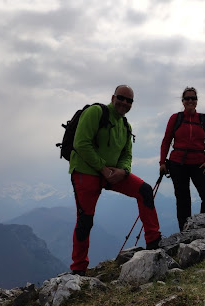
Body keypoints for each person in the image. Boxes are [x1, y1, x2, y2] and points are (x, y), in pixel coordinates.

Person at [69, 85, 161, 276]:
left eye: (129, 101)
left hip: (111, 174)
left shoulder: (125, 125)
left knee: (144, 190)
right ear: (113, 97)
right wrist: (102, 168)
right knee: (85, 219)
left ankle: (154, 243)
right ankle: (78, 269)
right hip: (86, 170)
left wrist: (124, 171)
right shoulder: (95, 112)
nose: (124, 103)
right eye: (121, 98)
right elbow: (81, 143)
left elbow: (127, 154)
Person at [159, 86, 205, 231]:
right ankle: (185, 232)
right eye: (187, 98)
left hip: (199, 163)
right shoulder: (176, 118)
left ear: (197, 101)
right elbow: (166, 140)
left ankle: (204, 227)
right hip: (178, 163)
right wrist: (162, 162)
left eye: (193, 98)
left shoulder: (204, 119)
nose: (190, 100)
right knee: (183, 199)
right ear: (183, 101)